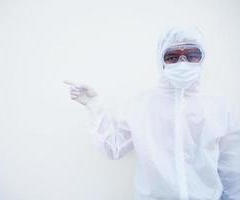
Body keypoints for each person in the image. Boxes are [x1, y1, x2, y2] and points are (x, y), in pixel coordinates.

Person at [64, 27, 240, 200]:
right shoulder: (140, 104)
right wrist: (94, 105)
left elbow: (232, 168)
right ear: (160, 60)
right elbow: (114, 148)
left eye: (192, 55)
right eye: (172, 57)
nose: (182, 62)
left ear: (202, 58)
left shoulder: (219, 107)